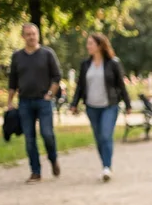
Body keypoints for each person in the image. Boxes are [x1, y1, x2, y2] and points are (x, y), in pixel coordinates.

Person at [69, 33, 131, 182]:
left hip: (109, 105)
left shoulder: (113, 63)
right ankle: (105, 165)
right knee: (98, 138)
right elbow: (80, 86)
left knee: (105, 135)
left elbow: (121, 85)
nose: (88, 46)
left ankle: (107, 167)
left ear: (100, 45)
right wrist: (74, 104)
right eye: (88, 43)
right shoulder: (85, 64)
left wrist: (128, 104)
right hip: (92, 107)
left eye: (91, 43)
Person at [7, 23, 63, 184]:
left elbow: (57, 76)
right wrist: (9, 102)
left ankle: (53, 158)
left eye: (34, 34)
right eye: (28, 34)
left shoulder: (47, 54)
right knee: (29, 139)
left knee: (47, 134)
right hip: (25, 102)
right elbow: (12, 81)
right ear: (23, 37)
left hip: (43, 101)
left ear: (37, 35)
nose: (31, 37)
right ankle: (35, 172)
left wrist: (50, 94)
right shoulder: (17, 56)